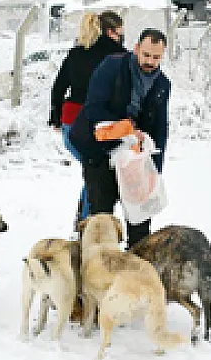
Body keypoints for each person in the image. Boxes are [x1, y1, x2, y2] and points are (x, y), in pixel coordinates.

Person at [67, 28, 170, 249]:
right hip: (99, 150)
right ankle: (98, 270)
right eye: (146, 55)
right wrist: (127, 131)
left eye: (156, 57)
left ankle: (136, 267)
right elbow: (94, 107)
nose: (150, 61)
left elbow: (160, 128)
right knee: (101, 219)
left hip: (134, 159)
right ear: (136, 49)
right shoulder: (112, 67)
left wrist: (155, 169)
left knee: (140, 219)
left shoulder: (162, 85)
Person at [49, 11, 125, 227]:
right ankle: (86, 223)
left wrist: (55, 118)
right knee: (96, 173)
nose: (121, 38)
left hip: (70, 122)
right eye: (120, 33)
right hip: (96, 124)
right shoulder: (118, 55)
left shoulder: (75, 53)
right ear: (110, 32)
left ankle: (86, 220)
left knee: (94, 171)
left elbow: (58, 88)